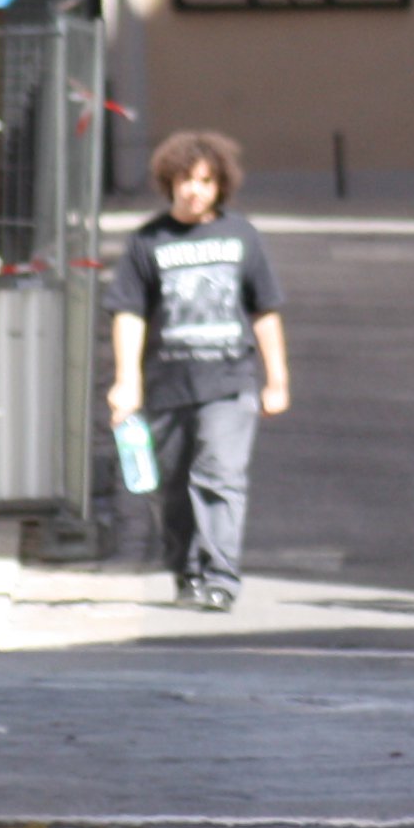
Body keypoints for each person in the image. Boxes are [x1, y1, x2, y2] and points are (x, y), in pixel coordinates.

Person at [102, 129, 290, 608]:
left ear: (220, 185)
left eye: (205, 181)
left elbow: (265, 311)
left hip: (230, 383)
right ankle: (186, 572)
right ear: (169, 181)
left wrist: (277, 379)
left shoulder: (241, 236)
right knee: (173, 489)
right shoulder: (149, 241)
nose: (194, 189)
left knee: (219, 474)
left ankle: (221, 577)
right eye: (185, 179)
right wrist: (127, 381)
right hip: (167, 386)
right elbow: (129, 313)